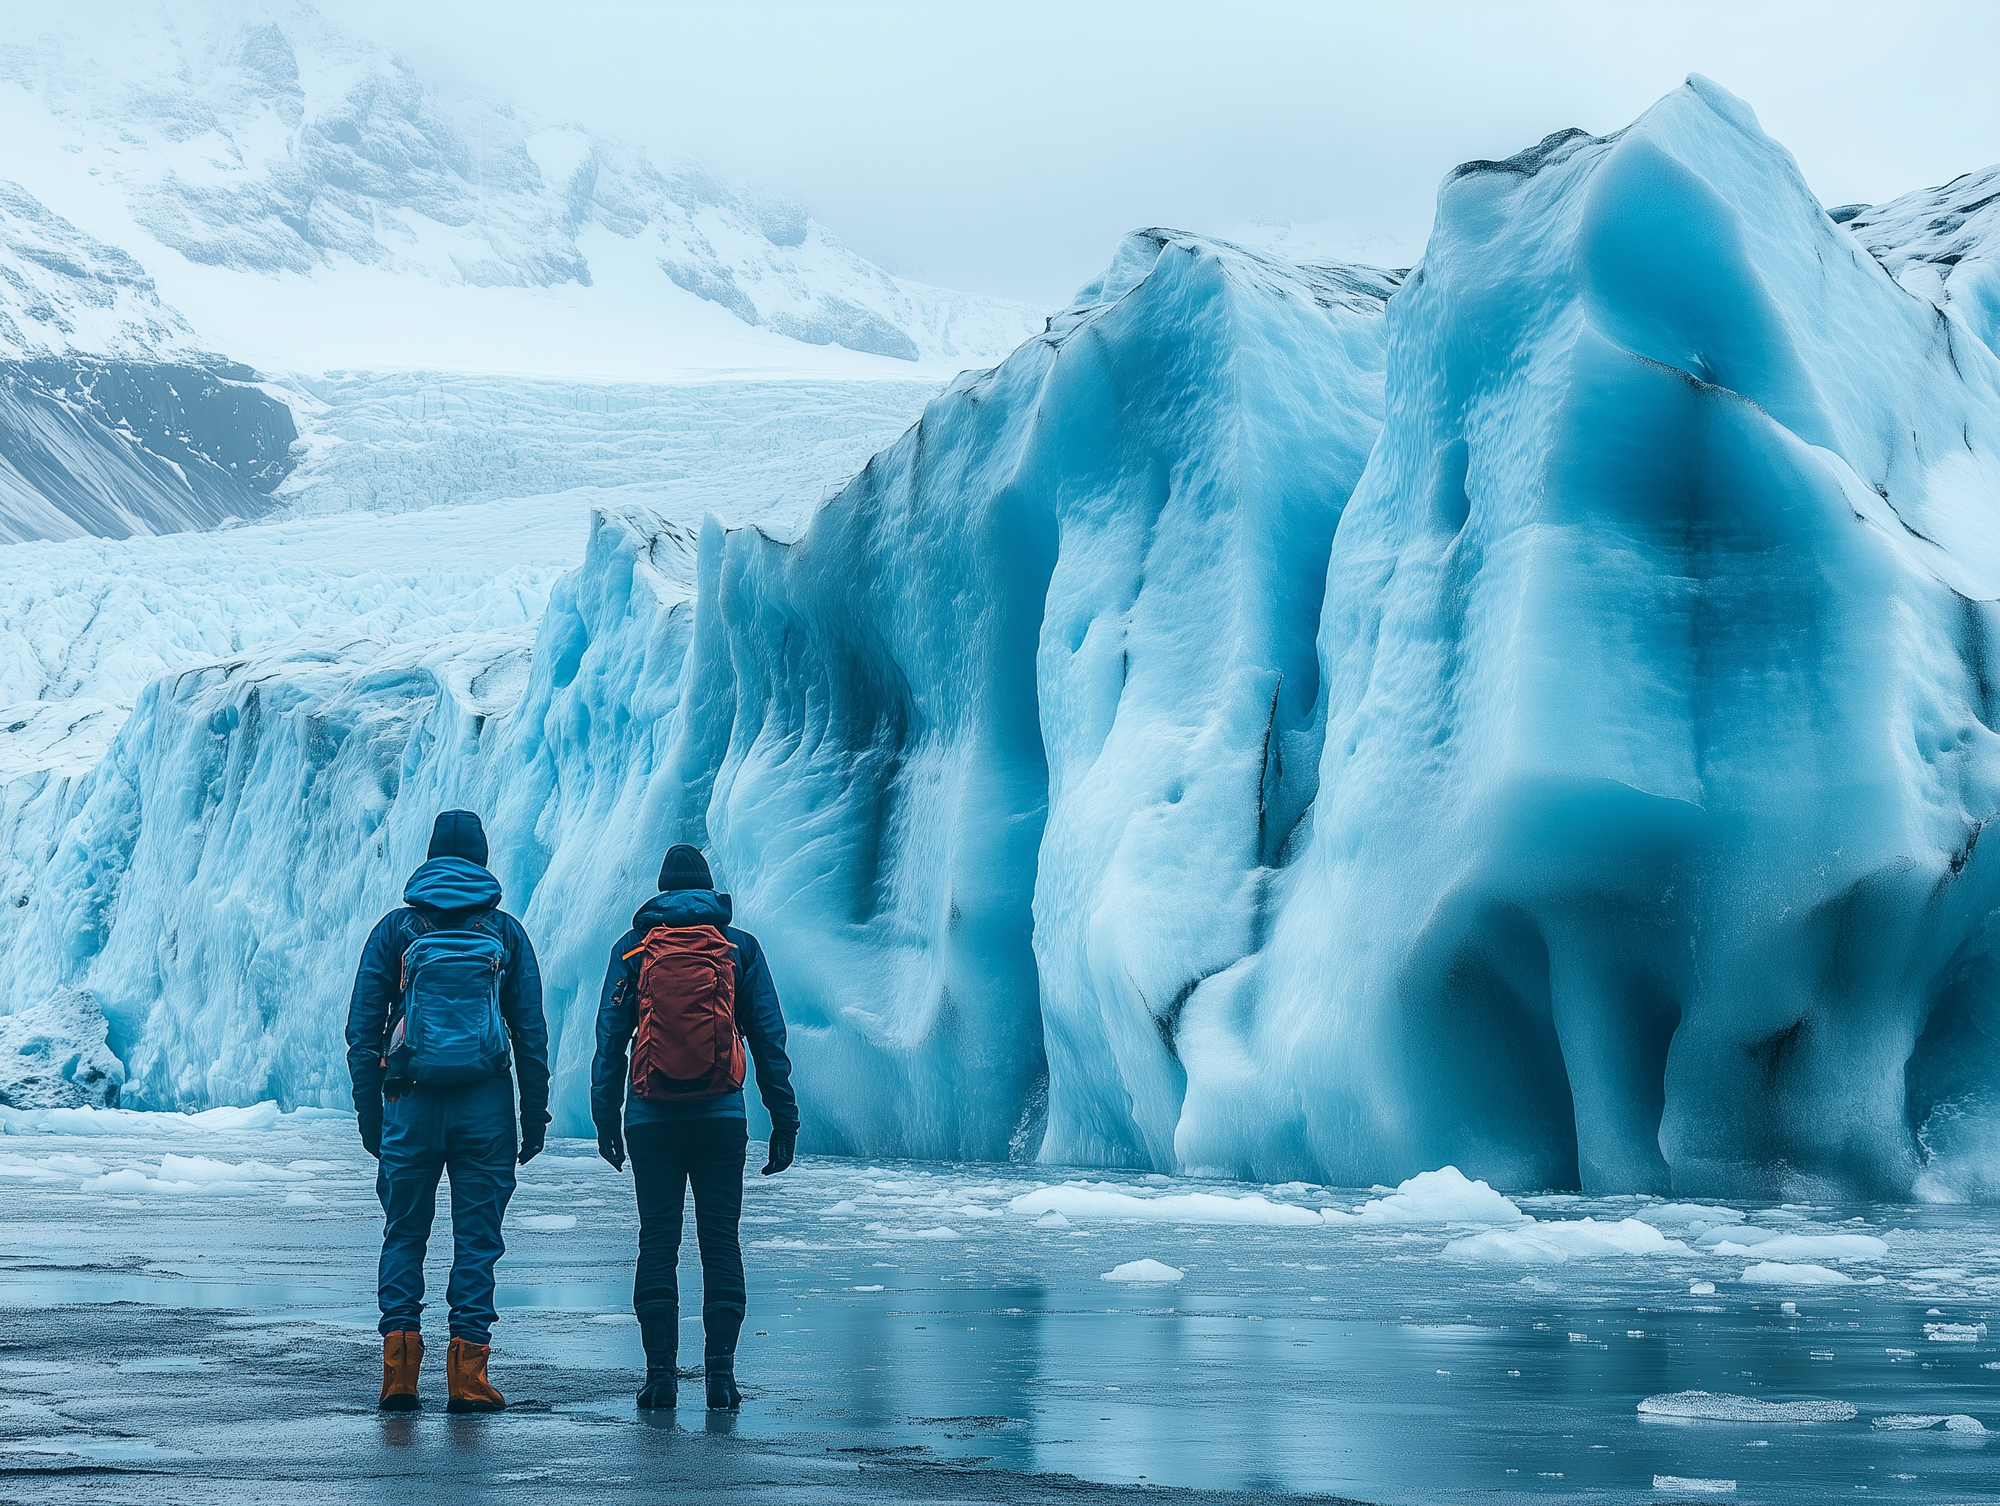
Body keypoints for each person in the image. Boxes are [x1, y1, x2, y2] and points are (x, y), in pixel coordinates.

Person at [346, 809, 550, 1414]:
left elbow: (363, 1031)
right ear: (482, 859)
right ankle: (467, 1378)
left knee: (404, 1234)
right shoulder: (505, 932)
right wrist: (534, 1114)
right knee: (477, 1241)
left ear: (431, 856)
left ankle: (399, 1376)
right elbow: (530, 1033)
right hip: (485, 1106)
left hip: (408, 1101)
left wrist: (371, 1116)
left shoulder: (397, 930)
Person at [592, 843, 800, 1412]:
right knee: (721, 1242)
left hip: (650, 1117)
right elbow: (769, 1040)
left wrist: (605, 1117)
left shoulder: (633, 947)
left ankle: (660, 1378)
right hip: (721, 1116)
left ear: (661, 890)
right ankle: (721, 1380)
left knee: (658, 1241)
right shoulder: (738, 947)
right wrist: (784, 1119)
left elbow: (609, 1039)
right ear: (709, 890)